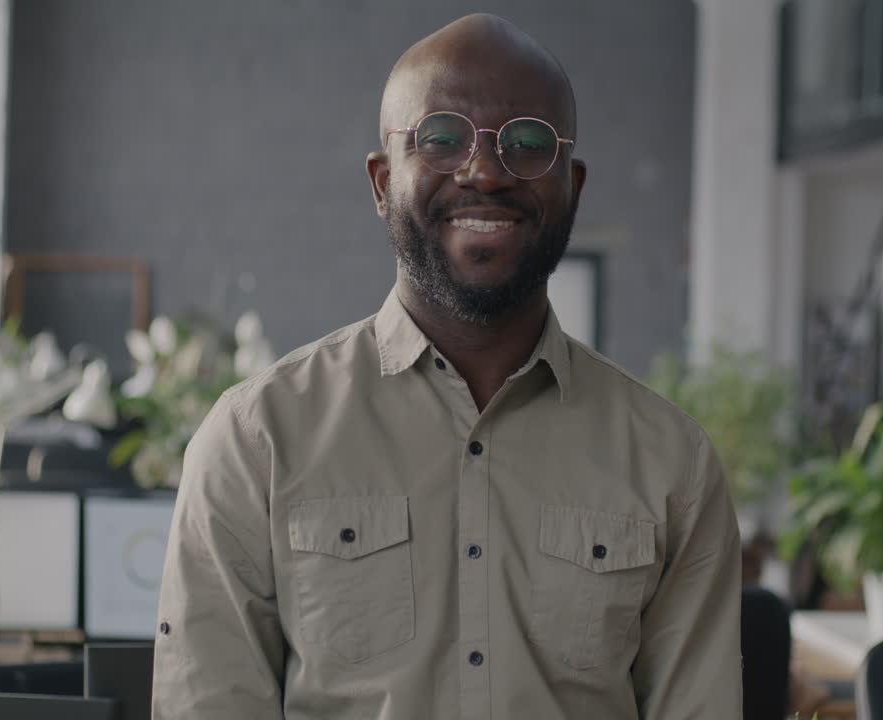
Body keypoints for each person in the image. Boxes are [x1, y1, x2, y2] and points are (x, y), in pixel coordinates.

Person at [152, 13, 742, 720]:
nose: (485, 171)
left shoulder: (671, 463)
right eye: (440, 138)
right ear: (382, 182)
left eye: (528, 143)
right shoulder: (257, 440)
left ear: (573, 186)